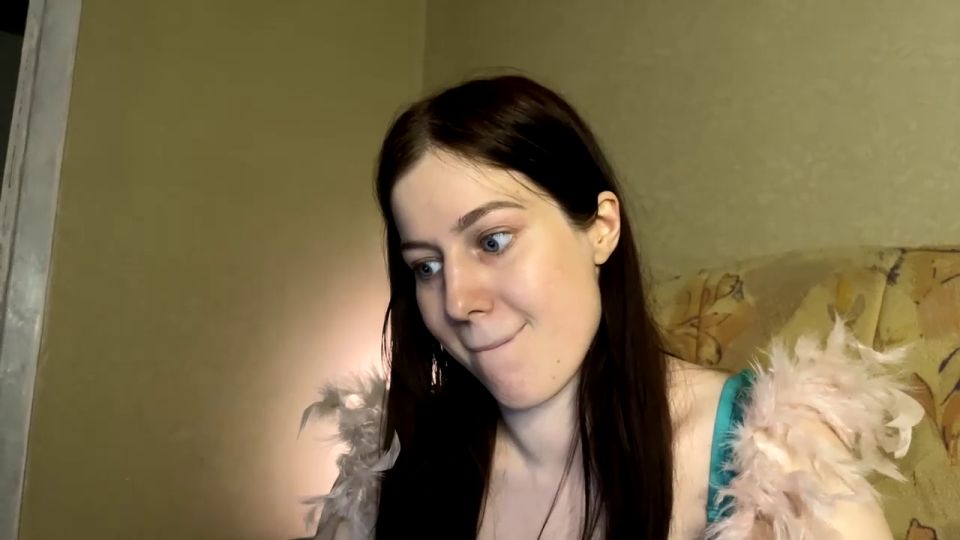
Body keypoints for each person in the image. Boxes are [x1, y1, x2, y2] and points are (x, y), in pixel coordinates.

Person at [300, 76, 923, 539]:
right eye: (427, 267)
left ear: (600, 229)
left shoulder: (770, 465)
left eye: (493, 241)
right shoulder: (390, 468)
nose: (458, 301)